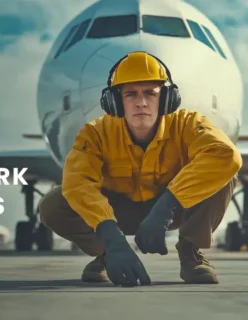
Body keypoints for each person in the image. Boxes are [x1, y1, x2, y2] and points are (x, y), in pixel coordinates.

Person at [39, 51, 241, 287]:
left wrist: (166, 207)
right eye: (130, 94)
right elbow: (78, 184)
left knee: (223, 173)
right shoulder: (94, 134)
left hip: (175, 211)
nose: (141, 102)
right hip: (115, 214)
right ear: (115, 102)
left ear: (166, 99)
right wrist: (112, 239)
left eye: (150, 93)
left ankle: (190, 251)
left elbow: (226, 155)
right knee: (53, 205)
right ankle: (108, 253)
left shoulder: (188, 124)